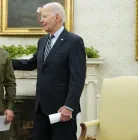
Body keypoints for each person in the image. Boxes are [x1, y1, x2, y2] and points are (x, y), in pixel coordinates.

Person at [12, 2, 86, 140]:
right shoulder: (42, 41)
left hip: (62, 110)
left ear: (57, 17)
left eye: (44, 16)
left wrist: (69, 106)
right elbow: (31, 63)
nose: (41, 20)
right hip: (41, 109)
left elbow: (78, 78)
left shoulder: (74, 41)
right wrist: (5, 62)